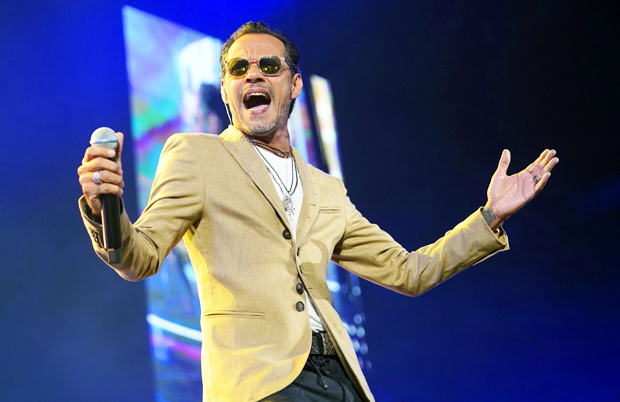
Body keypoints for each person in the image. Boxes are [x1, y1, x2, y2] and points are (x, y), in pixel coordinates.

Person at [77, 21, 559, 402]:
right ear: (225, 90)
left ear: (293, 85)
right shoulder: (196, 155)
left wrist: (490, 216)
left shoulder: (327, 188)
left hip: (341, 382)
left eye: (268, 66)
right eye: (239, 69)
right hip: (260, 384)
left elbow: (409, 272)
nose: (253, 75)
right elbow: (138, 257)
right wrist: (106, 208)